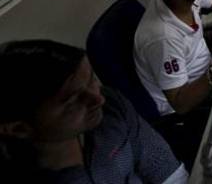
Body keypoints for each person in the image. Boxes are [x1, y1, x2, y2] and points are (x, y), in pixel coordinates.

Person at [0, 39, 188, 183]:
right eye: (72, 100)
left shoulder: (110, 108)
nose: (98, 99)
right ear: (19, 129)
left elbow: (164, 168)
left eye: (91, 80)